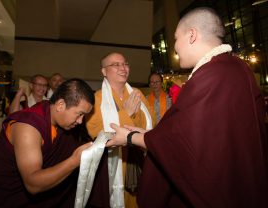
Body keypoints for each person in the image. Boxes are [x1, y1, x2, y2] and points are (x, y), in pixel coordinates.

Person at [106, 7, 268, 208]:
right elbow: (210, 136)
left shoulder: (210, 76)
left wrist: (130, 138)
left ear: (192, 35)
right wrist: (150, 134)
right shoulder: (238, 68)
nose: (174, 47)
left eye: (175, 38)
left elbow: (184, 143)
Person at [0, 78, 97, 207]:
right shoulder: (28, 127)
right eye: (79, 114)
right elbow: (33, 184)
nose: (80, 121)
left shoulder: (53, 116)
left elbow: (75, 145)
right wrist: (74, 161)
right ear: (60, 105)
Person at [86, 52, 153, 208]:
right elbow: (96, 132)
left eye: (125, 64)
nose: (123, 68)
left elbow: (151, 125)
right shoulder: (97, 99)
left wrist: (132, 116)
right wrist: (126, 114)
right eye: (116, 65)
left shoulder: (137, 94)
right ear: (104, 71)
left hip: (138, 159)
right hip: (112, 163)